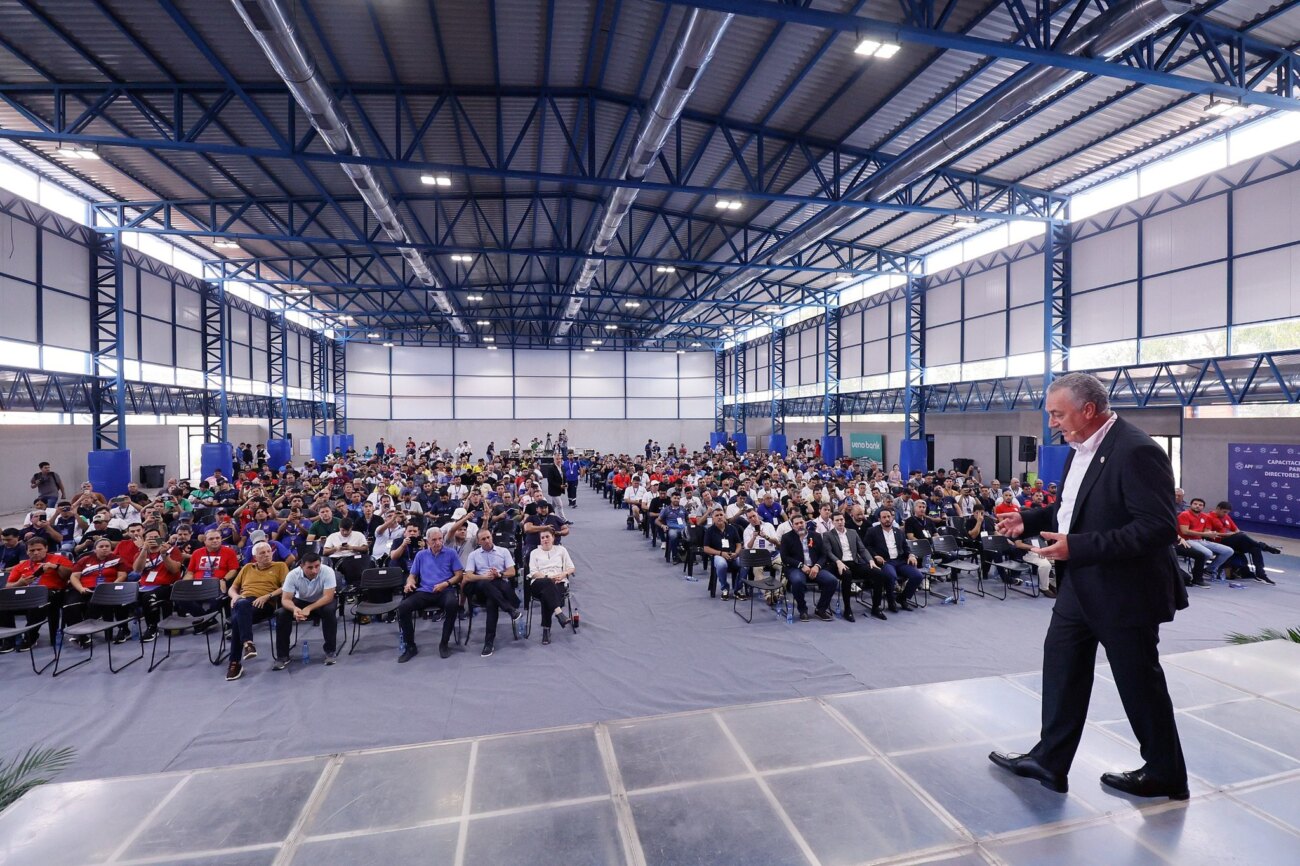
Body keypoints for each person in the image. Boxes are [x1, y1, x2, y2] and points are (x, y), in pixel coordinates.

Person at [990, 372, 1188, 801]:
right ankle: (1049, 761)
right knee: (1061, 667)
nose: (1053, 423)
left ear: (1088, 410)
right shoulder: (1078, 450)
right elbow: (1070, 508)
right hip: (1081, 586)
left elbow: (1158, 529)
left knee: (1138, 683)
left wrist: (1076, 546)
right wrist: (1029, 519)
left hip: (1125, 592)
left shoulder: (1136, 451)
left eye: (1058, 414)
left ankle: (1166, 773)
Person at [396, 527, 463, 663]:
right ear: (427, 541)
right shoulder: (421, 555)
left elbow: (459, 575)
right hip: (425, 591)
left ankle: (444, 643)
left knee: (452, 604)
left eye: (440, 539)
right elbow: (412, 575)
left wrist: (446, 583)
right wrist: (409, 583)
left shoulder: (451, 553)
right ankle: (410, 646)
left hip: (444, 590)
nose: (438, 542)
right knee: (403, 607)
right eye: (434, 540)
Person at [224, 541, 289, 681]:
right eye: (262, 553)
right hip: (244, 602)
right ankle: (247, 644)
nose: (267, 555)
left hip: (264, 603)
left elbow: (286, 587)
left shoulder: (280, 566)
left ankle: (235, 662)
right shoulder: (247, 567)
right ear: (255, 557)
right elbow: (232, 588)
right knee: (240, 606)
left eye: (268, 551)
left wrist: (268, 596)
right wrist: (234, 596)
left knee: (236, 620)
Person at [0, 537, 73, 652]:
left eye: (39, 549)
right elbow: (8, 586)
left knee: (39, 603)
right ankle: (10, 639)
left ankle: (31, 637)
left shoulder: (59, 559)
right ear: (27, 551)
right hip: (26, 594)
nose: (35, 553)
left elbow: (69, 576)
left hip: (52, 594)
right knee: (2, 604)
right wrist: (20, 583)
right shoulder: (20, 566)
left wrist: (56, 567)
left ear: (46, 548)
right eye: (32, 550)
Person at [273, 552, 338, 669]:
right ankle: (282, 656)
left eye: (317, 566)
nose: (314, 570)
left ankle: (330, 651)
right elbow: (286, 599)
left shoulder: (328, 571)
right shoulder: (293, 575)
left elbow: (328, 597)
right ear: (301, 566)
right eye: (310, 567)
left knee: (329, 612)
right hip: (302, 600)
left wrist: (309, 608)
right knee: (282, 613)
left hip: (322, 600)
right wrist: (295, 609)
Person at [462, 528, 522, 657]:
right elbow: (468, 576)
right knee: (486, 583)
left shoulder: (503, 551)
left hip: (496, 588)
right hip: (480, 589)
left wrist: (499, 574)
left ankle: (488, 642)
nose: (487, 540)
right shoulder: (474, 555)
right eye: (483, 539)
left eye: (488, 537)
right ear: (478, 541)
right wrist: (484, 577)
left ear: (492, 537)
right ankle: (510, 609)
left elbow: (512, 572)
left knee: (492, 602)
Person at [864, 508, 924, 612]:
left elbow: (906, 547)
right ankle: (891, 601)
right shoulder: (872, 531)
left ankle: (902, 598)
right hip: (885, 561)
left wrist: (911, 555)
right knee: (891, 576)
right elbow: (866, 546)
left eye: (889, 516)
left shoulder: (899, 531)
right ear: (879, 519)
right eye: (884, 517)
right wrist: (875, 556)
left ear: (892, 518)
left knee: (918, 576)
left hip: (900, 561)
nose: (887, 519)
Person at [779, 514, 836, 622]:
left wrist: (817, 566)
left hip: (814, 567)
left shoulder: (816, 536)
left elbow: (823, 555)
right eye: (796, 523)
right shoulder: (786, 537)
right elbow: (784, 557)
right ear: (792, 525)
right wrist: (801, 565)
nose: (800, 525)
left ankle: (821, 609)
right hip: (796, 568)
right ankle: (802, 609)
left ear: (805, 523)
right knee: (797, 581)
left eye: (801, 522)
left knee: (832, 581)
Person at [1207, 501, 1280, 583]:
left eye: (1227, 512)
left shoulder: (1226, 517)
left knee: (1254, 547)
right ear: (1218, 508)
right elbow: (1208, 533)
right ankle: (1263, 546)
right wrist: (1228, 534)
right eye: (1224, 512)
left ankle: (1261, 573)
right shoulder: (1209, 517)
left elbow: (1237, 530)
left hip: (1232, 541)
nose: (1225, 514)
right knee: (1241, 536)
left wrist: (1233, 534)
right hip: (1219, 541)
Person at [526, 528, 574, 645]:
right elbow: (533, 572)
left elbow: (571, 568)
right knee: (547, 583)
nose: (545, 539)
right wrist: (548, 577)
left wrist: (563, 574)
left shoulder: (561, 550)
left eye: (547, 537)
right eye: (542, 538)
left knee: (546, 596)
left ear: (553, 538)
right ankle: (559, 612)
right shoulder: (534, 553)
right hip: (539, 582)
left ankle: (546, 630)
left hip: (559, 582)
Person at [702, 509, 743, 599]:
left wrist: (736, 553)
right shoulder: (710, 531)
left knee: (745, 564)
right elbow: (706, 548)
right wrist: (721, 553)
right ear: (713, 518)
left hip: (733, 555)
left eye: (721, 515)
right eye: (716, 515)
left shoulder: (732, 528)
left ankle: (738, 589)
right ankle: (725, 588)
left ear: (724, 517)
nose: (719, 517)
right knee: (721, 564)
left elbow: (738, 544)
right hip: (719, 555)